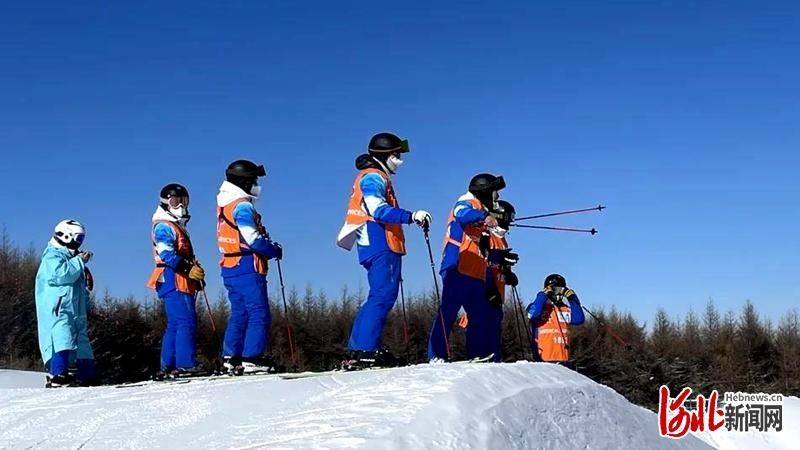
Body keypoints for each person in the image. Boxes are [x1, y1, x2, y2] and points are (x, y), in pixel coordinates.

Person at [337, 132, 431, 369]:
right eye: (396, 155)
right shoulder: (373, 177)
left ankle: (358, 349)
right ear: (383, 155)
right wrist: (411, 216)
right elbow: (378, 209)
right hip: (381, 242)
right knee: (383, 295)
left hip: (377, 243)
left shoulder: (374, 176)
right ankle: (366, 349)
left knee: (377, 296)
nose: (399, 160)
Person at [427, 173, 506, 362]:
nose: (497, 196)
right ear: (485, 191)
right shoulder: (466, 201)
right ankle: (436, 355)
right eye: (495, 192)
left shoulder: (481, 208)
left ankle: (477, 354)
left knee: (479, 316)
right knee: (449, 311)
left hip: (476, 271)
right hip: (458, 266)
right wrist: (485, 217)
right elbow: (461, 214)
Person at [217, 160, 283, 375]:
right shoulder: (241, 205)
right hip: (247, 264)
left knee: (240, 312)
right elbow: (252, 238)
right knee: (258, 312)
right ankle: (252, 358)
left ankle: (231, 357)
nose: (257, 185)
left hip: (229, 264)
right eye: (254, 180)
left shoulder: (224, 203)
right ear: (244, 182)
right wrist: (272, 249)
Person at [147, 183, 206, 379]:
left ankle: (168, 365)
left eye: (184, 201)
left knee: (175, 323)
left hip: (177, 278)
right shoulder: (164, 225)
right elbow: (166, 253)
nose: (180, 206)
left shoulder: (175, 226)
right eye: (175, 201)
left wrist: (193, 273)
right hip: (173, 277)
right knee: (185, 321)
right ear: (165, 203)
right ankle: (185, 364)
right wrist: (188, 269)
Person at [35, 220, 98, 387]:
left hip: (76, 308)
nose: (79, 242)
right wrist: (79, 262)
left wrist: (86, 304)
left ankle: (87, 374)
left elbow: (80, 286)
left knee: (81, 339)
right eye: (77, 238)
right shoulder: (52, 255)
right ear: (66, 235)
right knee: (61, 336)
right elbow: (61, 274)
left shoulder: (70, 256)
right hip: (59, 306)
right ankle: (58, 373)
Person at [526, 274, 585, 365]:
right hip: (543, 359)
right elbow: (532, 314)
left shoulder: (564, 309)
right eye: (554, 289)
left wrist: (572, 298)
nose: (556, 293)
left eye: (559, 290)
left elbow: (579, 319)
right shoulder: (539, 308)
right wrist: (543, 295)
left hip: (563, 360)